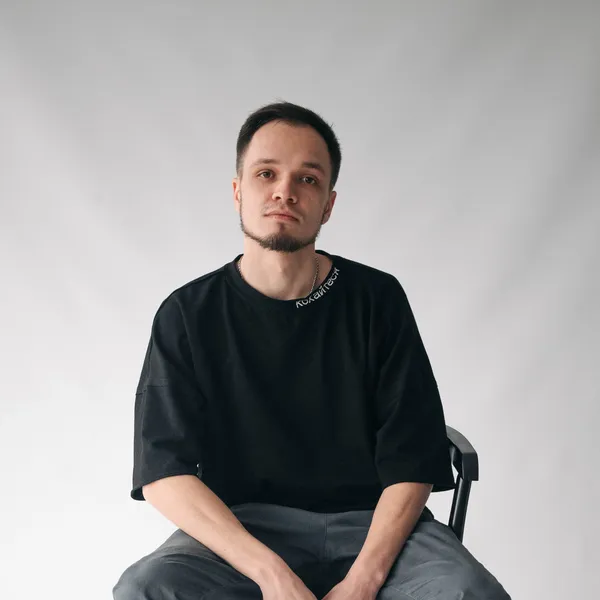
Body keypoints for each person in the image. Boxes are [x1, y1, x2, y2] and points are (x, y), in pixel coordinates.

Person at [113, 101, 511, 599]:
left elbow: (413, 457)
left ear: (327, 205)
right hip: (243, 533)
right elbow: (163, 471)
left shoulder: (377, 300)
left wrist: (362, 582)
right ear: (238, 192)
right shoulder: (188, 314)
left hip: (377, 528)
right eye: (266, 173)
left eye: (307, 179)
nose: (284, 190)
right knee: (146, 589)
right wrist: (271, 574)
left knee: (467, 591)